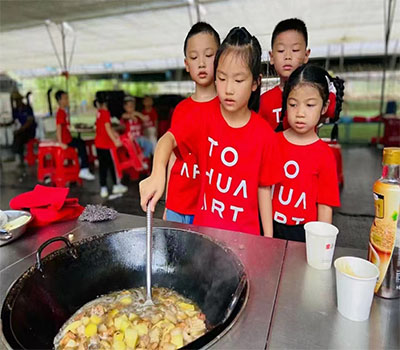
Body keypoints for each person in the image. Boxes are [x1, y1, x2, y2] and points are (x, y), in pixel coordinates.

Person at [140, 27, 282, 236]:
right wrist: (157, 173)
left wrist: (269, 238)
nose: (229, 89)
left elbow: (264, 189)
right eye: (222, 78)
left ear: (255, 82)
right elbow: (168, 140)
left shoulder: (264, 135)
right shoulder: (204, 118)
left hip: (245, 237)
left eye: (238, 80)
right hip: (204, 232)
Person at [271, 64, 341, 242]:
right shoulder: (272, 142)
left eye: (310, 105)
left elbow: (325, 207)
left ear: (324, 107)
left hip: (305, 234)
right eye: (293, 104)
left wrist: (322, 245)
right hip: (269, 228)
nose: (300, 113)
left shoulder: (325, 154)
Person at [164, 21, 220, 224]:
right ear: (187, 64)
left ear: (220, 58)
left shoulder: (226, 108)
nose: (202, 63)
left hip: (208, 207)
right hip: (177, 205)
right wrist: (168, 201)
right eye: (195, 57)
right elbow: (173, 158)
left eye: (209, 55)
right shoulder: (181, 109)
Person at [259, 18, 338, 131]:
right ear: (271, 57)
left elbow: (333, 110)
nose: (288, 56)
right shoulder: (264, 101)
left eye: (295, 50)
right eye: (281, 50)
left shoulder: (316, 95)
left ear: (306, 55)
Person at [55, 90, 95, 181]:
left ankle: (83, 166)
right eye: (65, 98)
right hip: (66, 140)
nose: (67, 100)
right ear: (60, 100)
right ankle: (84, 168)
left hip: (68, 138)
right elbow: (58, 128)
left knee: (80, 141)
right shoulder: (60, 113)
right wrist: (60, 142)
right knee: (81, 144)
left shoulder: (63, 112)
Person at [94, 94, 128, 198]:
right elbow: (108, 128)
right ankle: (115, 185)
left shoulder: (99, 113)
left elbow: (103, 127)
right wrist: (115, 140)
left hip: (98, 144)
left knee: (102, 167)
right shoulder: (105, 113)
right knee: (112, 165)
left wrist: (114, 134)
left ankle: (103, 187)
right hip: (106, 145)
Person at [120, 96, 153, 160]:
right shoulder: (124, 117)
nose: (130, 107)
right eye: (128, 106)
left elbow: (146, 119)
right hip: (130, 140)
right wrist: (133, 116)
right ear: (124, 107)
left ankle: (141, 158)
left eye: (132, 106)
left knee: (150, 145)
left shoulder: (138, 116)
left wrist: (138, 115)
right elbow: (124, 116)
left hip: (139, 138)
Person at [11, 91, 36, 167]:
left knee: (19, 136)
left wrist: (20, 130)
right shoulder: (16, 110)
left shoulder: (28, 108)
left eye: (18, 100)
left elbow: (29, 122)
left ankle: (17, 153)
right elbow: (13, 120)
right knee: (17, 136)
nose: (17, 102)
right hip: (22, 131)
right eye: (15, 101)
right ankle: (18, 154)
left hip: (30, 130)